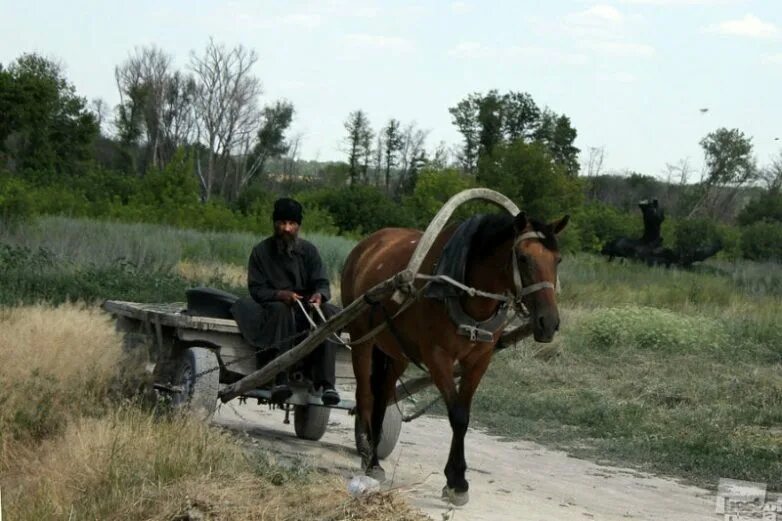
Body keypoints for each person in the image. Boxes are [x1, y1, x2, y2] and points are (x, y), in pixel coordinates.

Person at [246, 197, 341, 406]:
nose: (286, 228)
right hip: (273, 308)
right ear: (275, 224)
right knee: (281, 311)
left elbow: (322, 283)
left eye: (292, 224)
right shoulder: (261, 252)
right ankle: (279, 379)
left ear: (298, 226)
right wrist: (281, 295)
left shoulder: (309, 251)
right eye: (282, 223)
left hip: (305, 308)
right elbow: (256, 289)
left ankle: (326, 384)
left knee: (330, 312)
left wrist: (319, 296)